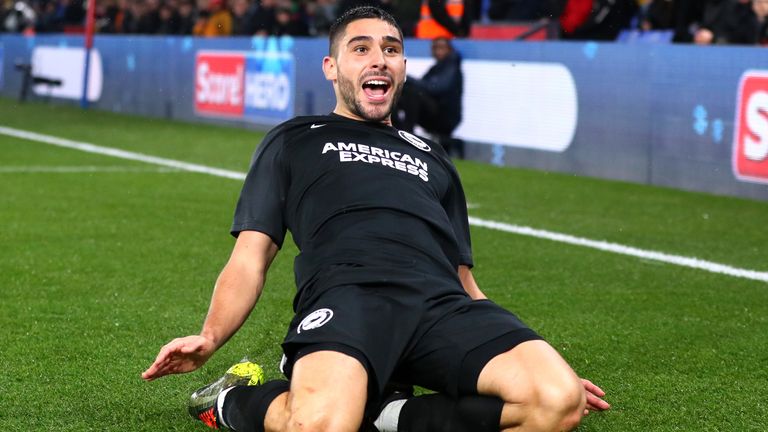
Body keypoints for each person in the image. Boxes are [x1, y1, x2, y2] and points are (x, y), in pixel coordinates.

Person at [142, 6, 609, 432]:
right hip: (348, 299)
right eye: (360, 48)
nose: (379, 59)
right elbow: (250, 256)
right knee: (322, 425)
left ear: (403, 68)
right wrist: (209, 336)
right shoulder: (295, 139)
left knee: (557, 401)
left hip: (438, 304)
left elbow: (462, 276)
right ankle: (231, 400)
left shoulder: (432, 156)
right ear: (332, 67)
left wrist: (536, 362)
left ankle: (386, 413)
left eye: (391, 49)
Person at [392, 36, 464, 158]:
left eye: (441, 48)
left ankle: (406, 134)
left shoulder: (452, 67)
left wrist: (407, 78)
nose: (438, 51)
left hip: (445, 117)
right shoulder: (437, 68)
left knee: (411, 92)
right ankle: (398, 132)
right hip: (436, 114)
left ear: (449, 49)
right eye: (435, 48)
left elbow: (435, 88)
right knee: (397, 93)